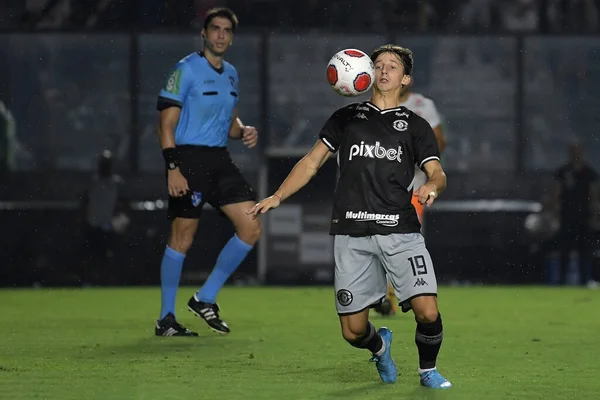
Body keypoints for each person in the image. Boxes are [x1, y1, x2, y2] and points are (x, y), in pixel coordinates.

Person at [248, 45, 452, 389]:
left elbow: (437, 171)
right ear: (366, 73)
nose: (384, 70)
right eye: (378, 65)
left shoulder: (416, 126)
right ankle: (380, 346)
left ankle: (427, 371)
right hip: (352, 231)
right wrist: (278, 195)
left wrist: (433, 184)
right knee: (353, 331)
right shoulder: (345, 118)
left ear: (406, 79)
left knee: (428, 312)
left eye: (392, 66)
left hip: (399, 228)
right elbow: (311, 162)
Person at [155, 7, 261, 337]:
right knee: (182, 238)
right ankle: (166, 318)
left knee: (251, 226)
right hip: (187, 160)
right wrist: (173, 168)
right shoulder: (185, 69)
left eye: (226, 30)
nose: (220, 34)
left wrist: (243, 130)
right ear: (204, 33)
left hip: (219, 159)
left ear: (231, 37)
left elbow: (229, 124)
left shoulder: (231, 73)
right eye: (214, 28)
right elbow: (165, 124)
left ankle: (205, 298)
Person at [376, 79, 447, 316]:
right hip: (381, 183)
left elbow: (439, 142)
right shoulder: (376, 106)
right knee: (380, 235)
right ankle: (385, 295)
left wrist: (417, 153)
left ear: (407, 78)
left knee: (407, 237)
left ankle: (404, 293)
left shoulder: (422, 105)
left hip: (415, 184)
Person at [553, 140, 599, 287]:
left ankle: (585, 279)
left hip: (584, 217)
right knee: (565, 249)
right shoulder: (564, 172)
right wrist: (554, 211)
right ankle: (562, 279)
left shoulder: (589, 173)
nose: (576, 154)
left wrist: (595, 214)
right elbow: (556, 192)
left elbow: (593, 195)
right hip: (567, 216)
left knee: (585, 250)